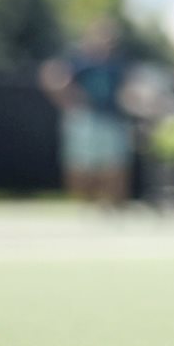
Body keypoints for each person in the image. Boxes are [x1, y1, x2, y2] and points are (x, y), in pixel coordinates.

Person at [39, 19, 134, 207]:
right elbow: (51, 75)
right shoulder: (77, 61)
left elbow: (126, 90)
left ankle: (112, 205)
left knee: (115, 165)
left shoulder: (117, 64)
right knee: (81, 168)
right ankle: (89, 204)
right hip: (84, 120)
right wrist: (69, 99)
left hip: (111, 119)